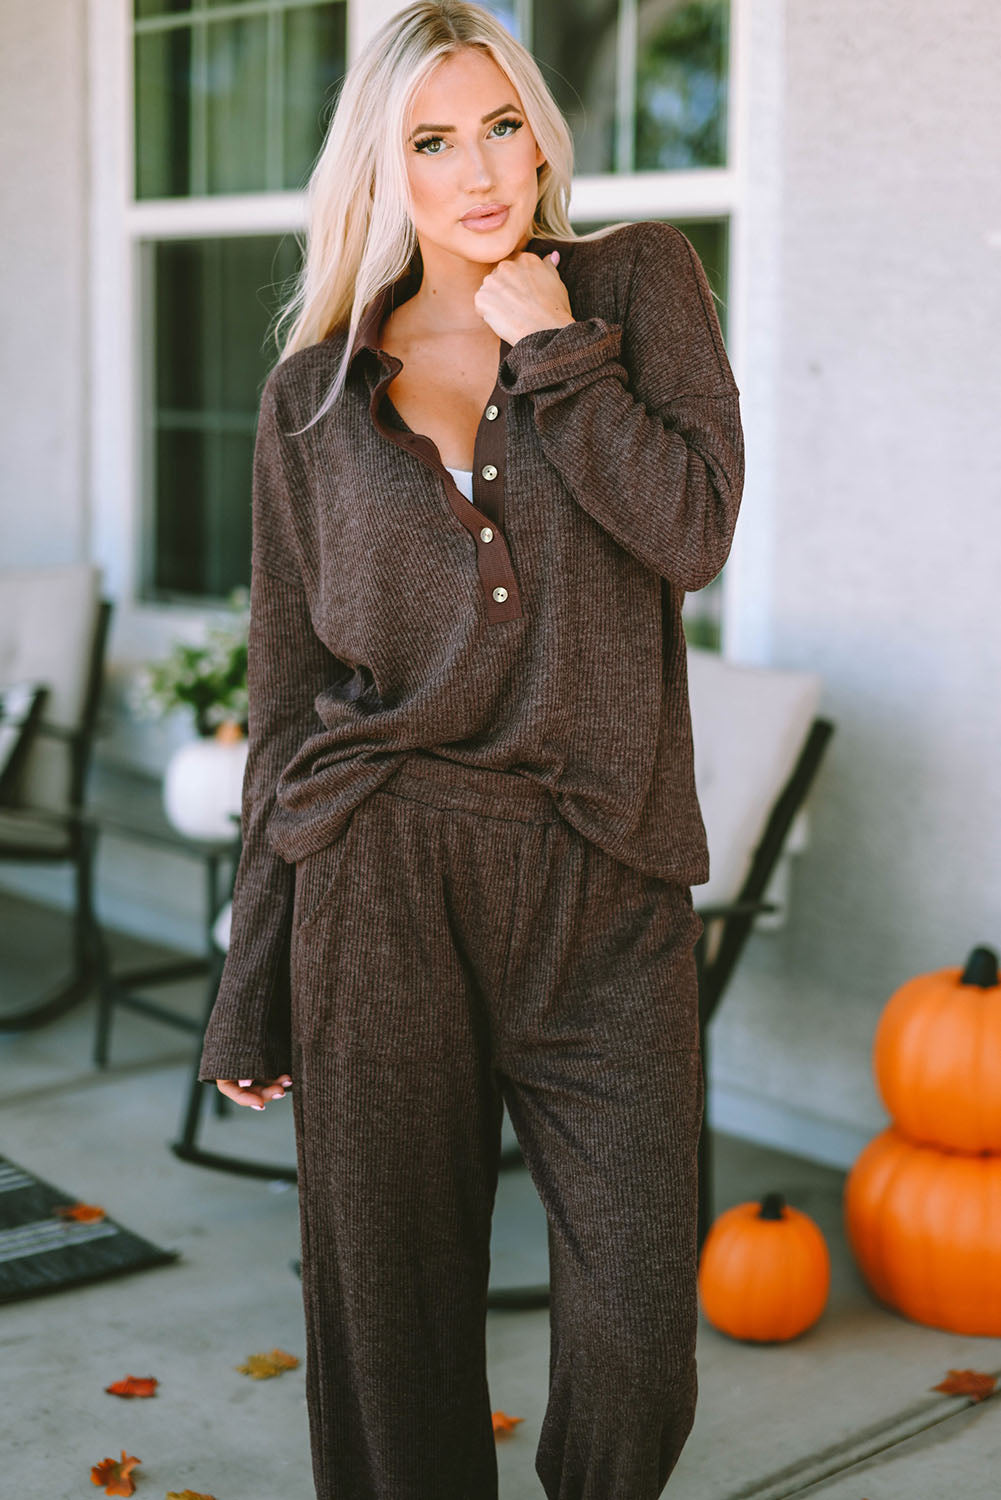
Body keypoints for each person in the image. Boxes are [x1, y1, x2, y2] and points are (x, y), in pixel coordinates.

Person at [197, 2, 744, 1496]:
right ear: (382, 166)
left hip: (603, 877)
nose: (479, 168)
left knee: (638, 1337)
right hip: (382, 879)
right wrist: (253, 979)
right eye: (432, 140)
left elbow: (691, 533)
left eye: (501, 123)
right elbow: (292, 692)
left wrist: (554, 349)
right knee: (392, 1330)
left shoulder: (633, 287)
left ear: (541, 128)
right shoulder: (309, 395)